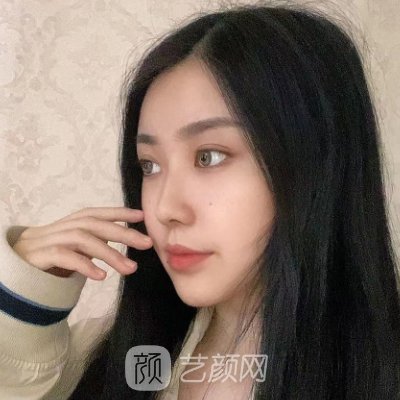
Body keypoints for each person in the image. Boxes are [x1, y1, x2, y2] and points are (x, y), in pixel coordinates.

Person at [1, 3, 400, 400]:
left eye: (208, 157)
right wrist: (19, 309)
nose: (165, 210)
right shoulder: (107, 362)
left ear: (315, 162)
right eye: (149, 165)